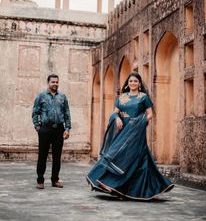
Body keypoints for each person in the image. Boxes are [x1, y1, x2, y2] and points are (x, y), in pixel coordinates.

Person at [87, 71, 174, 200]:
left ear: (139, 84)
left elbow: (150, 113)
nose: (133, 83)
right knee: (116, 154)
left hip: (136, 132)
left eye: (135, 81)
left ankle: (117, 186)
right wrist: (116, 118)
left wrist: (141, 121)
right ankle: (108, 182)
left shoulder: (143, 97)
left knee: (132, 158)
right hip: (122, 131)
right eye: (130, 81)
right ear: (127, 83)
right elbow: (115, 112)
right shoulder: (121, 97)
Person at [32, 74, 71, 189]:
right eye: (53, 82)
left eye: (57, 82)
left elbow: (67, 114)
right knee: (42, 155)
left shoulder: (62, 97)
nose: (55, 84)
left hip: (59, 129)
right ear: (48, 83)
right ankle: (40, 180)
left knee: (57, 156)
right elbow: (35, 113)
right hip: (45, 129)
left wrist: (67, 128)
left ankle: (55, 179)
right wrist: (38, 128)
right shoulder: (41, 96)